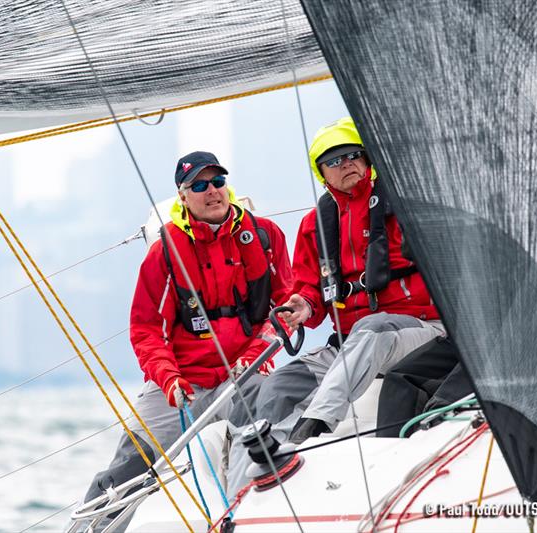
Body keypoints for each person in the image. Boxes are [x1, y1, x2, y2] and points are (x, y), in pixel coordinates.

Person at [83, 151, 293, 507]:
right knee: (128, 465)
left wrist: (257, 355)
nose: (211, 191)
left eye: (217, 181)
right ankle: (95, 523)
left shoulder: (263, 236)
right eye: (199, 185)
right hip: (184, 382)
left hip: (244, 373)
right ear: (183, 196)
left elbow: (286, 308)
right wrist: (168, 379)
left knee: (277, 439)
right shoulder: (165, 251)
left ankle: (248, 518)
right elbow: (146, 329)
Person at [261, 117, 447, 444]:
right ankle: (268, 468)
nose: (345, 164)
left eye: (352, 155)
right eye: (333, 161)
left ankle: (314, 425)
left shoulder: (404, 204)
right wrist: (302, 304)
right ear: (322, 173)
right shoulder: (314, 224)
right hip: (349, 343)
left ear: (367, 159)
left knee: (371, 331)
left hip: (420, 330)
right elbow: (308, 286)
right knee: (280, 385)